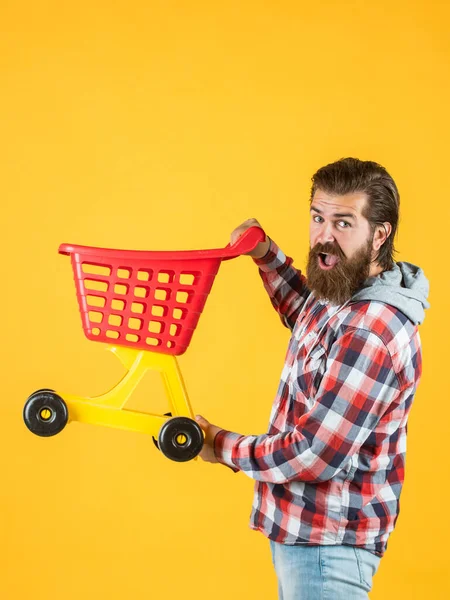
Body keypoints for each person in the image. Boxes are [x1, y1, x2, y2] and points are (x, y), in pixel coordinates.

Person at [195, 157, 430, 599]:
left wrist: (217, 445)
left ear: (380, 234)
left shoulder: (370, 330)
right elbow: (309, 316)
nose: (324, 234)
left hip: (329, 546)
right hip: (307, 534)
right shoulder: (347, 290)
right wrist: (266, 255)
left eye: (343, 223)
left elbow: (314, 453)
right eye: (318, 217)